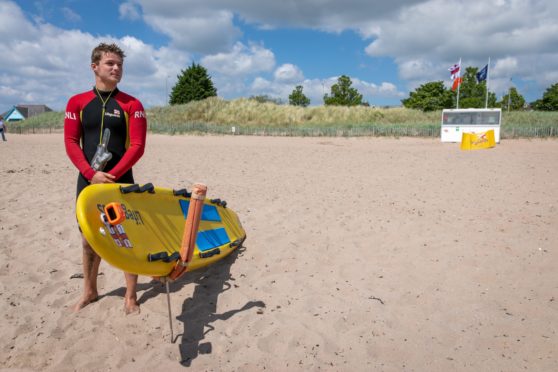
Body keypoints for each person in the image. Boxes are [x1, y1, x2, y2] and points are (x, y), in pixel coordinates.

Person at [64, 43, 147, 314]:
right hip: (88, 181)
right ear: (95, 67)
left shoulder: (132, 104)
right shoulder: (77, 102)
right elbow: (71, 141)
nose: (116, 68)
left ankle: (131, 296)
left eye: (120, 64)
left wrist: (112, 176)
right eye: (110, 63)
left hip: (120, 181)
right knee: (89, 238)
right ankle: (89, 291)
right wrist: (91, 174)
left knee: (126, 236)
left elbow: (137, 146)